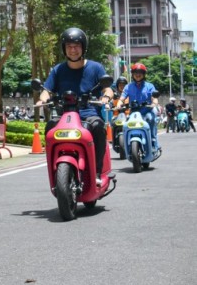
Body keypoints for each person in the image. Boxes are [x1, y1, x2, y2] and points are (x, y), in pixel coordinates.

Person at [36, 27, 113, 185]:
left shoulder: (95, 67)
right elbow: (47, 90)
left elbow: (108, 88)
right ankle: (54, 171)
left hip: (89, 114)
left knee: (98, 127)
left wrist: (106, 97)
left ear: (83, 47)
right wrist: (41, 100)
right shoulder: (58, 70)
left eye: (77, 46)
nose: (73, 50)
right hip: (65, 116)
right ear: (64, 49)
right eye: (69, 46)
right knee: (50, 127)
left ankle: (97, 171)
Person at [115, 62, 159, 150]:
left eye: (140, 73)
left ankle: (153, 141)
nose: (138, 75)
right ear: (133, 74)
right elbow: (122, 98)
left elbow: (154, 98)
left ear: (144, 74)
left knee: (151, 119)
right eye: (136, 73)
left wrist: (154, 103)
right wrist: (119, 104)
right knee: (126, 124)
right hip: (134, 113)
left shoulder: (150, 86)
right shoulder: (128, 87)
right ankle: (127, 144)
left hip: (147, 111)